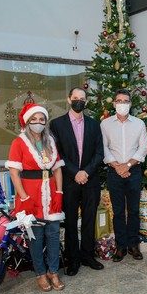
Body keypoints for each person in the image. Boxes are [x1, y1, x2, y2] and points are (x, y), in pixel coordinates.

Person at [5, 103, 65, 292]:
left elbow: (57, 169)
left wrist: (59, 192)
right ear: (27, 121)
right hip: (30, 196)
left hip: (51, 194)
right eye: (34, 119)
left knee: (54, 235)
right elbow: (14, 173)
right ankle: (40, 273)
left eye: (41, 119)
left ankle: (53, 272)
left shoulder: (50, 141)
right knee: (36, 237)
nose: (38, 123)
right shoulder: (19, 143)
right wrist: (23, 198)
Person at [49, 87, 104, 275]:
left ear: (86, 102)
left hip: (90, 179)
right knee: (70, 220)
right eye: (75, 98)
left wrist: (86, 172)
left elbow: (99, 153)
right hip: (69, 180)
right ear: (68, 99)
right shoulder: (57, 124)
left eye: (82, 99)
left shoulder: (95, 124)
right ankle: (73, 259)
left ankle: (88, 255)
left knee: (89, 219)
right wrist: (75, 172)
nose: (79, 101)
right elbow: (57, 153)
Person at [100, 89, 147, 262]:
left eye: (126, 101)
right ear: (113, 104)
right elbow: (104, 147)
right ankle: (120, 247)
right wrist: (117, 166)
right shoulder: (105, 124)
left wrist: (127, 165)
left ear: (130, 103)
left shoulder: (138, 124)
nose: (122, 104)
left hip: (133, 171)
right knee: (119, 211)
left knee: (134, 211)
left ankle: (134, 245)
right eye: (119, 101)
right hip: (114, 172)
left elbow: (143, 147)